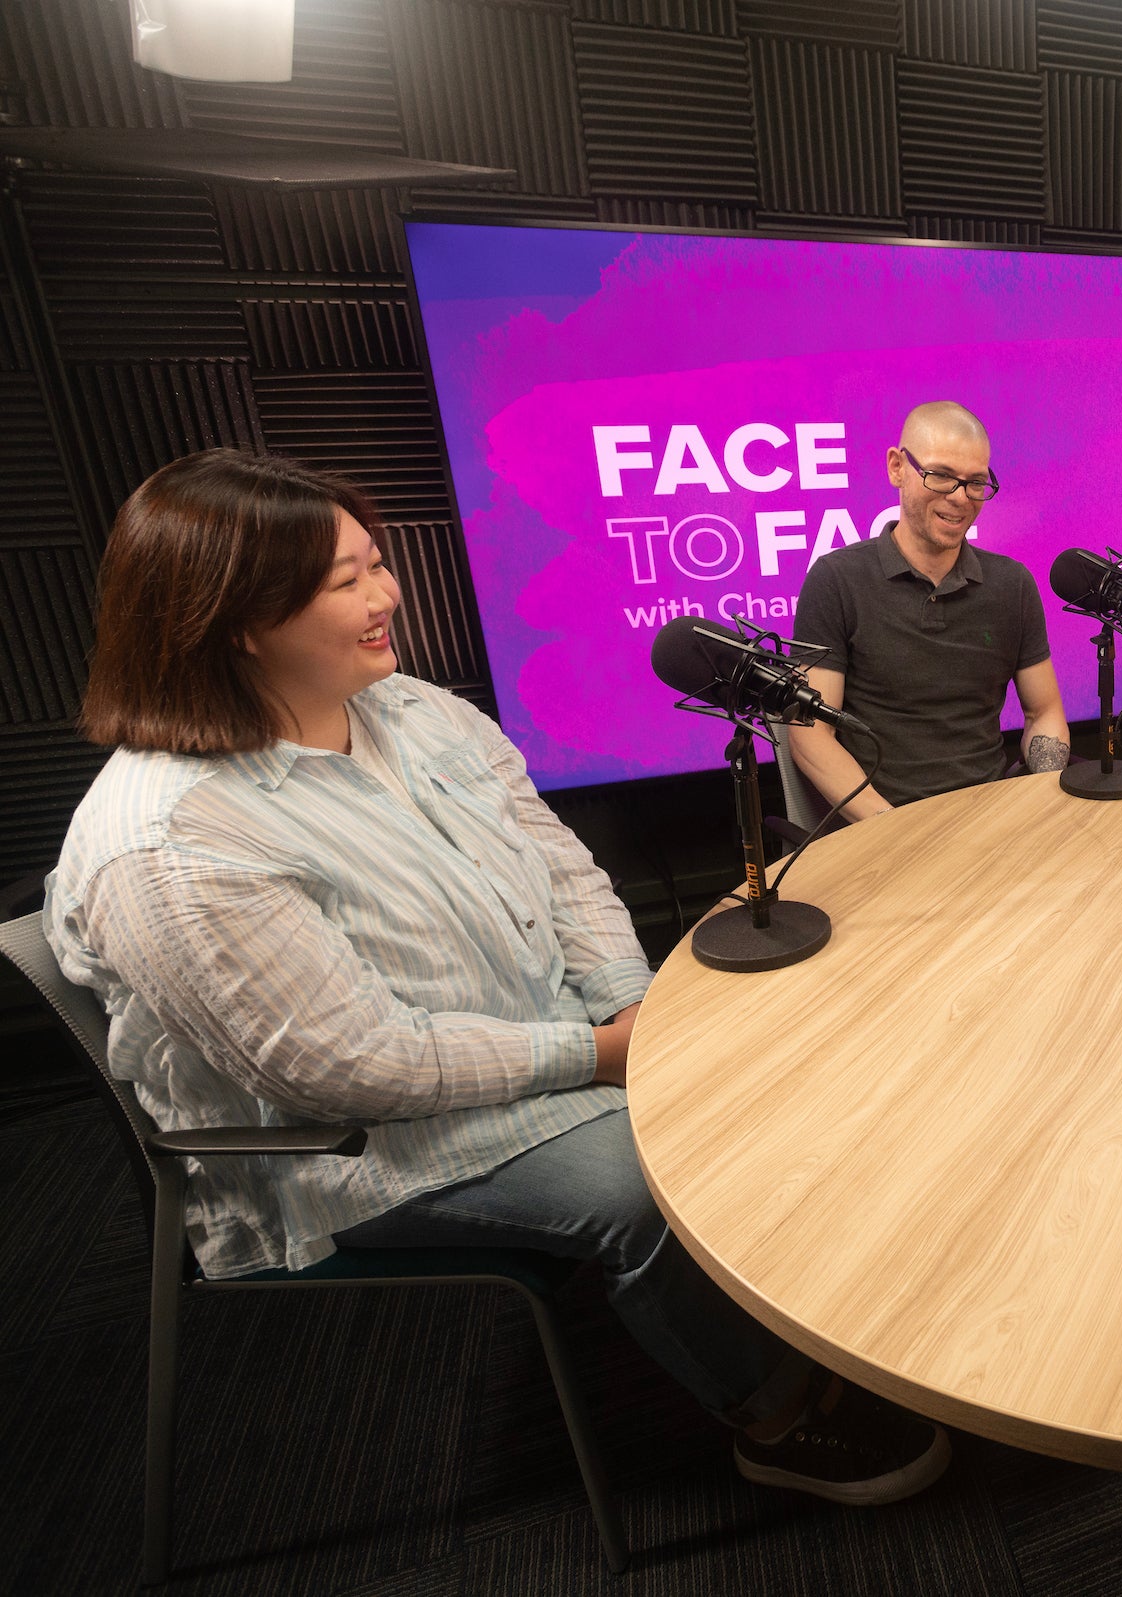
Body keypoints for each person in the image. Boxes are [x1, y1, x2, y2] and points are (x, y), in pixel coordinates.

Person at [43, 449, 948, 1504]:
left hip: (553, 1041)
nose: (386, 595)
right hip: (354, 1145)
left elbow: (560, 867)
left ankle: (812, 1305)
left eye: (375, 563)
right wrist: (605, 1056)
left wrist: (631, 1006)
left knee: (774, 1067)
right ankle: (776, 1415)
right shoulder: (168, 843)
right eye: (345, 581)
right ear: (236, 618)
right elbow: (349, 1068)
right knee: (651, 1183)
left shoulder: (416, 711)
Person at [788, 401, 1070, 820]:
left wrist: (1040, 794)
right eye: (940, 476)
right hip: (883, 827)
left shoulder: (1012, 585)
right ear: (897, 467)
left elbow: (1043, 712)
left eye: (976, 482)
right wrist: (893, 829)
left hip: (995, 818)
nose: (959, 499)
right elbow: (810, 735)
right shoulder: (836, 581)